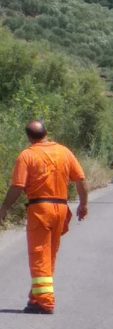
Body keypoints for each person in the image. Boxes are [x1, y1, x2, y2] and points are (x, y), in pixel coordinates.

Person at [0, 121, 88, 314]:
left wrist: (4, 207)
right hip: (61, 209)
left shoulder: (28, 155)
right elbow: (81, 180)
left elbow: (17, 187)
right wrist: (83, 204)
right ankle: (36, 298)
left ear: (29, 137)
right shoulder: (64, 152)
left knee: (39, 255)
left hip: (40, 209)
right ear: (46, 133)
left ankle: (46, 302)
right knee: (49, 255)